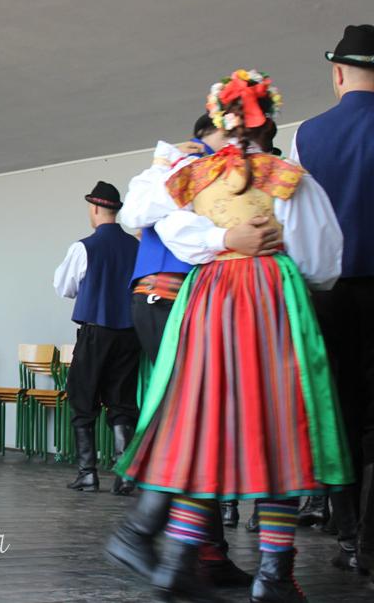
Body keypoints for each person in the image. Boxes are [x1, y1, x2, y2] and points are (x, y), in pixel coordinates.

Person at [112, 70, 351, 600]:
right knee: (280, 427)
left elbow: (151, 222)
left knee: (206, 426)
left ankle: (178, 563)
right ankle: (273, 575)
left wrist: (221, 240)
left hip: (208, 301)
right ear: (268, 123)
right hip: (271, 300)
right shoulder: (290, 178)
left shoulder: (191, 176)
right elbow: (323, 263)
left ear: (220, 121)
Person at [113, 117, 278, 588]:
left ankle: (197, 552)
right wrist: (224, 237)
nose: (246, 145)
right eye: (237, 132)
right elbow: (136, 214)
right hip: (172, 297)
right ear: (215, 131)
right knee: (193, 420)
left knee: (203, 421)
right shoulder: (186, 164)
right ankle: (157, 540)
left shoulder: (232, 169)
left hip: (195, 301)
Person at [290, 24, 374, 576]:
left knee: (336, 412)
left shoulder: (307, 135)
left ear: (338, 73)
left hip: (328, 293)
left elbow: (296, 224)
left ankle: (348, 541)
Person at [53, 181, 141, 494]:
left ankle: (87, 473)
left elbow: (64, 287)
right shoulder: (136, 246)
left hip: (95, 332)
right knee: (122, 402)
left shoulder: (84, 247)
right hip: (130, 334)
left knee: (83, 397)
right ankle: (125, 475)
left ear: (94, 209)